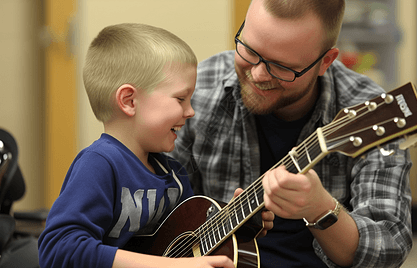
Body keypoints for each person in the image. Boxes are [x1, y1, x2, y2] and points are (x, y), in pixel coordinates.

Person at [170, 0, 413, 267]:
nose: (258, 74)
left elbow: (389, 247)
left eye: (282, 67)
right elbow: (157, 202)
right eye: (249, 49)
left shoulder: (371, 113)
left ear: (325, 62)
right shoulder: (202, 86)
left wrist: (320, 208)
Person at [38, 23, 273, 268]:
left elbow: (188, 243)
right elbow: (58, 249)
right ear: (129, 101)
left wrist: (238, 222)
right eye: (181, 99)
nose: (191, 111)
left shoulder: (173, 173)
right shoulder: (99, 164)